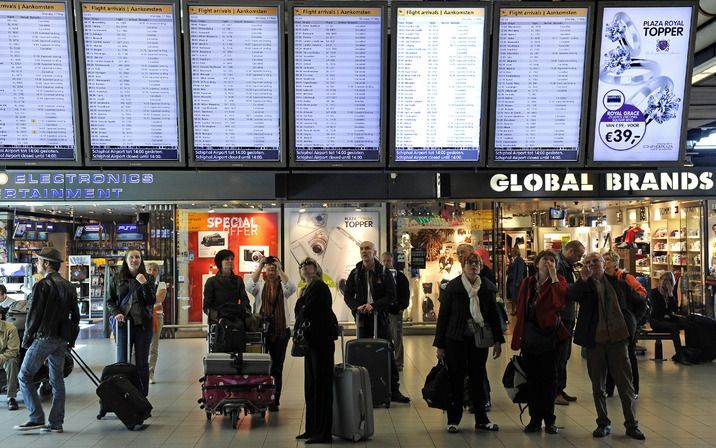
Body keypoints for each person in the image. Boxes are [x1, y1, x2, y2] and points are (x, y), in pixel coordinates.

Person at [570, 252, 647, 440]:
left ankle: (631, 424)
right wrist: (582, 280)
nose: (592, 264)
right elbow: (570, 296)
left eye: (596, 261)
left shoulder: (619, 284)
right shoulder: (584, 287)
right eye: (588, 262)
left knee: (625, 385)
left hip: (618, 340)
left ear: (604, 264)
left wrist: (631, 324)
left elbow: (641, 303)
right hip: (595, 342)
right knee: (598, 386)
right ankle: (603, 422)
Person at [434, 252, 503, 433]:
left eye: (477, 264)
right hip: (455, 339)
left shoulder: (487, 288)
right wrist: (439, 344)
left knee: (478, 378)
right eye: (470, 263)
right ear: (463, 267)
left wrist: (497, 340)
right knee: (456, 378)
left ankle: (481, 418)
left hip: (479, 340)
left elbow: (494, 316)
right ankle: (453, 420)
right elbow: (444, 316)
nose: (474, 267)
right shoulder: (453, 288)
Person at [15, 247, 79, 433]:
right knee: (57, 380)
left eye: (38, 261)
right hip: (61, 339)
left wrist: (26, 341)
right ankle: (56, 423)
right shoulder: (69, 285)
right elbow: (75, 316)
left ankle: (36, 417)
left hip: (44, 337)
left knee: (24, 375)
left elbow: (33, 317)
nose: (37, 264)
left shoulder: (42, 285)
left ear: (47, 263)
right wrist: (70, 340)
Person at [344, 241, 410, 403]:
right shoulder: (355, 273)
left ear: (374, 252)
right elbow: (348, 295)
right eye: (362, 249)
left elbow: (391, 295)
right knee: (361, 351)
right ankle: (360, 388)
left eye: (368, 249)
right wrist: (357, 307)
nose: (364, 252)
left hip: (380, 317)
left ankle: (393, 390)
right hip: (361, 319)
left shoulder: (383, 272)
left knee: (387, 349)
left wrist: (374, 306)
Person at [511, 250, 568, 435]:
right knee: (533, 381)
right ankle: (535, 419)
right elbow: (521, 310)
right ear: (537, 263)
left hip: (550, 338)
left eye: (552, 260)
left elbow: (560, 303)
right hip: (530, 337)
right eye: (545, 259)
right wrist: (518, 335)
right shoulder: (528, 283)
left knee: (549, 381)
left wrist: (553, 279)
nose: (548, 262)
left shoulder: (558, 281)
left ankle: (549, 419)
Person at [294, 258, 338, 445]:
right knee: (311, 387)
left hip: (321, 343)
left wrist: (301, 303)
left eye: (309, 265)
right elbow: (302, 311)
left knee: (320, 388)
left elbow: (306, 311)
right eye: (303, 266)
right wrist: (302, 303)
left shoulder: (318, 287)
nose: (305, 268)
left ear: (316, 269)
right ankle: (312, 429)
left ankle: (322, 432)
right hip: (313, 343)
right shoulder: (308, 288)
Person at [246, 256, 296, 412]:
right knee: (260, 365)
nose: (271, 270)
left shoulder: (283, 287)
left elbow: (292, 287)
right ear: (265, 270)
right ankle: (259, 398)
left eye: (274, 268)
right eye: (269, 268)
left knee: (277, 367)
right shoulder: (260, 286)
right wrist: (260, 265)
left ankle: (274, 399)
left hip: (281, 331)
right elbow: (249, 285)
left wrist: (280, 268)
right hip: (262, 331)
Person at [107, 248, 156, 396]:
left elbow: (151, 300)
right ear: (126, 260)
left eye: (137, 257)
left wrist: (145, 284)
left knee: (142, 362)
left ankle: (142, 395)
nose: (134, 260)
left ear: (141, 260)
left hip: (143, 325)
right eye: (132, 257)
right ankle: (123, 394)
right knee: (122, 360)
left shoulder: (148, 277)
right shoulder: (116, 278)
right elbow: (109, 301)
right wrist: (116, 313)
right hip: (123, 325)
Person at [602, 251, 647, 396]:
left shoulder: (625, 278)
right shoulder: (602, 280)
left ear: (615, 263)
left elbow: (641, 296)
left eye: (608, 260)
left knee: (629, 356)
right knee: (610, 356)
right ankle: (609, 389)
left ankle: (634, 388)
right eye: (604, 260)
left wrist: (633, 318)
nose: (605, 262)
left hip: (626, 323)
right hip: (611, 324)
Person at [554, 240, 585, 405]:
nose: (579, 258)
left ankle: (560, 388)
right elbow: (564, 290)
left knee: (565, 354)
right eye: (579, 255)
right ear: (571, 251)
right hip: (562, 316)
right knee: (560, 354)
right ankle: (555, 391)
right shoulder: (560, 266)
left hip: (568, 315)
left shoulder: (567, 266)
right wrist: (581, 283)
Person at [650, 272, 693, 365]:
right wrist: (667, 313)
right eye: (664, 281)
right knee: (673, 327)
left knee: (688, 324)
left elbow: (674, 309)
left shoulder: (671, 294)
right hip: (656, 321)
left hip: (667, 319)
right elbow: (657, 311)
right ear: (660, 281)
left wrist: (670, 296)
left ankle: (689, 351)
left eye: (668, 281)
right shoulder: (654, 292)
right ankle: (680, 354)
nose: (665, 284)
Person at [203, 249, 250, 324]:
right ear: (220, 263)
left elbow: (245, 300)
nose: (230, 261)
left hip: (235, 319)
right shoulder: (211, 282)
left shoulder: (238, 280)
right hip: (218, 322)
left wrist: (244, 312)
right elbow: (206, 307)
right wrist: (218, 317)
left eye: (232, 259)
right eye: (227, 259)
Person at [381, 251, 409, 372]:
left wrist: (400, 307)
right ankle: (386, 362)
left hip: (395, 312)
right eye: (384, 261)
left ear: (392, 261)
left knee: (397, 338)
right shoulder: (380, 276)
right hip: (383, 312)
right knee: (384, 338)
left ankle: (398, 364)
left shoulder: (400, 277)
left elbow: (405, 294)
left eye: (388, 261)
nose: (386, 263)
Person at [146, 263, 167, 384]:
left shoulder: (161, 284)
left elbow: (160, 298)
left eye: (154, 270)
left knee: (153, 346)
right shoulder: (140, 283)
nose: (151, 272)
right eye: (149, 269)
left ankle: (150, 373)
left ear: (158, 272)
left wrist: (146, 298)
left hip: (156, 316)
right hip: (143, 316)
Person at [1, 310, 20, 411]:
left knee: (12, 362)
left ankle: (11, 397)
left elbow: (13, 351)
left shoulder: (10, 328)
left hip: (7, 357)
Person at [506, 246, 526, 313]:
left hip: (516, 281)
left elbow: (520, 271)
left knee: (516, 296)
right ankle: (513, 310)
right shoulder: (512, 259)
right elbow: (509, 270)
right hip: (511, 280)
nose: (511, 252)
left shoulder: (519, 260)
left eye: (512, 251)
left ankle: (517, 310)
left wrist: (518, 281)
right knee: (512, 296)